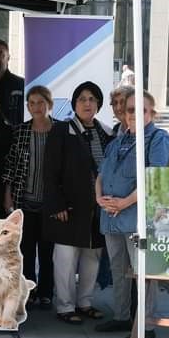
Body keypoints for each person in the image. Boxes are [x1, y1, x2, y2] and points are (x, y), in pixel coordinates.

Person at [95, 89, 169, 338]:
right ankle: (122, 316)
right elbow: (101, 175)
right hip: (111, 217)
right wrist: (98, 198)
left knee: (142, 272)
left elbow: (155, 179)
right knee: (118, 269)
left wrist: (124, 202)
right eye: (129, 110)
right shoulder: (117, 141)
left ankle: (146, 325)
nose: (134, 114)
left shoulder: (158, 139)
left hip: (137, 218)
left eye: (141, 110)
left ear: (152, 113)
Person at [42, 82, 115, 323]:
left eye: (92, 99)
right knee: (65, 258)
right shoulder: (61, 130)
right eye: (82, 98)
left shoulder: (107, 132)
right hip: (68, 208)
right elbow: (50, 171)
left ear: (98, 104)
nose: (87, 103)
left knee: (92, 256)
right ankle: (65, 306)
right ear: (74, 104)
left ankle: (84, 302)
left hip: (97, 209)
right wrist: (57, 204)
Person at [2, 85, 57, 311]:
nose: (36, 107)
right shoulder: (21, 131)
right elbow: (11, 166)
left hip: (50, 203)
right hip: (24, 201)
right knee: (25, 249)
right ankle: (29, 292)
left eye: (40, 102)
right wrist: (8, 197)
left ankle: (46, 292)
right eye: (32, 103)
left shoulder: (59, 131)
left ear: (49, 105)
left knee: (47, 251)